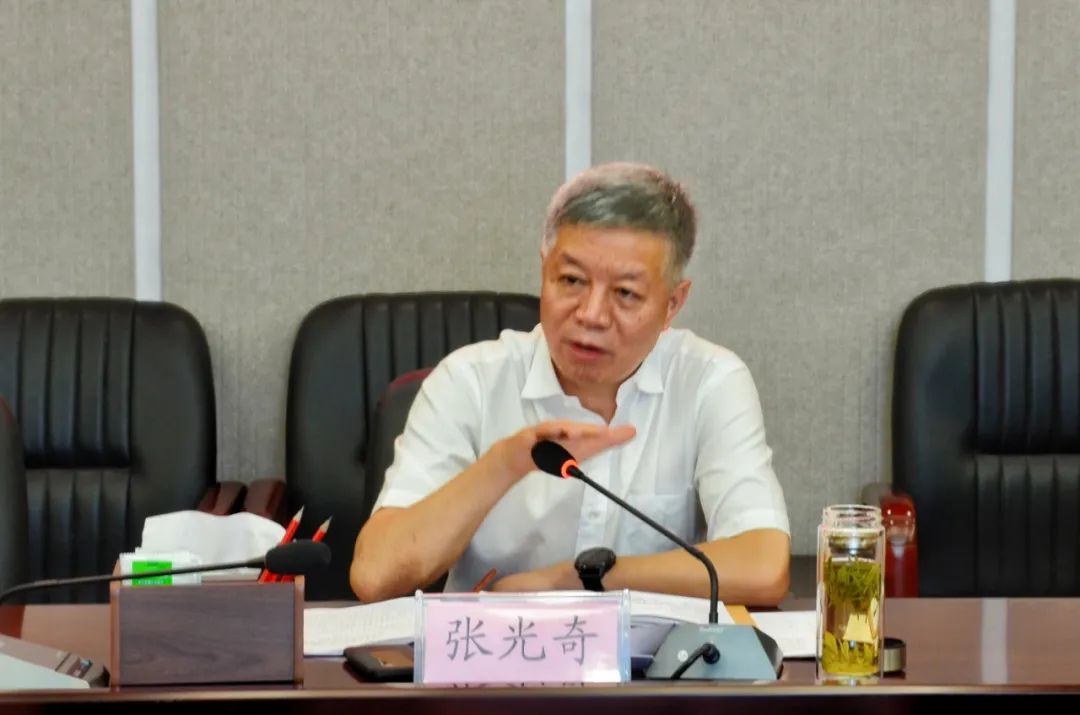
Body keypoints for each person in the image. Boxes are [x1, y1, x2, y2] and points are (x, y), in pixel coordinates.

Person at [350, 162, 790, 606]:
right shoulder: (469, 383)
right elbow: (374, 575)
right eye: (572, 281)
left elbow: (763, 566)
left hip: (652, 652)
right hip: (491, 647)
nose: (591, 315)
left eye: (625, 293)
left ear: (672, 304)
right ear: (545, 270)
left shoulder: (709, 381)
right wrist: (506, 463)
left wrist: (578, 579)